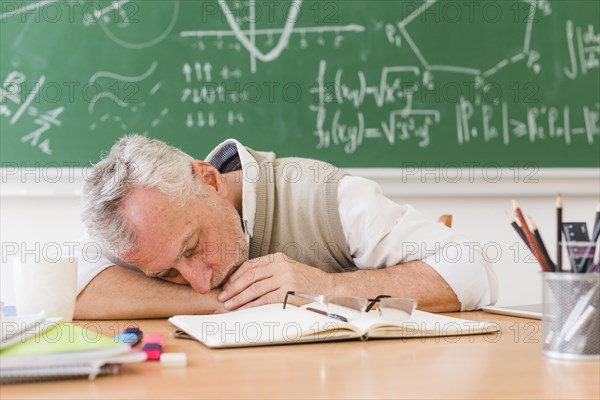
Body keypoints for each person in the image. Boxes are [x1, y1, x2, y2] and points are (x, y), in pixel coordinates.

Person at [75, 135, 497, 319]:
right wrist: (226, 303)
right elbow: (69, 289)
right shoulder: (147, 226)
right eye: (166, 273)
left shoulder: (327, 196)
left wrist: (326, 288)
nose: (198, 282)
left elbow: (471, 272)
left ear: (208, 179)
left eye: (192, 247)